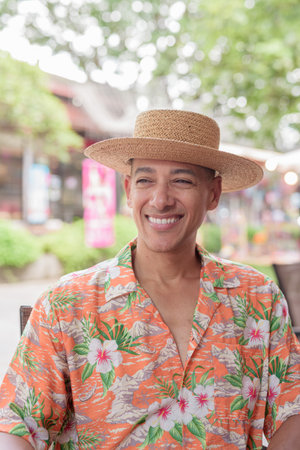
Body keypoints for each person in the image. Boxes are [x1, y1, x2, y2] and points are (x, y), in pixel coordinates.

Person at [0, 109, 299, 449]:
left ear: (213, 194)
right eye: (145, 180)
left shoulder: (258, 298)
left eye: (182, 180)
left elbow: (293, 414)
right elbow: (16, 426)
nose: (160, 200)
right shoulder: (67, 303)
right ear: (128, 189)